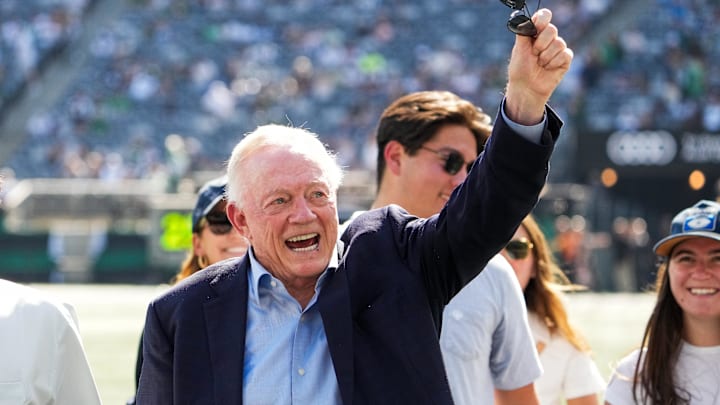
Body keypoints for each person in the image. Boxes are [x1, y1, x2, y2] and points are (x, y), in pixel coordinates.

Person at [137, 8, 572, 404]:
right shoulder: (181, 314)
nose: (304, 215)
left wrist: (525, 102)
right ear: (240, 219)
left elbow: (486, 209)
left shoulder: (395, 260)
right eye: (281, 201)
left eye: (317, 195)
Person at [346, 89, 542, 404]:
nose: (462, 179)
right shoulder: (330, 258)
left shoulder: (494, 272)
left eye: (470, 167)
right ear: (395, 156)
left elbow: (519, 397)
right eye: (450, 162)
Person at [128, 176, 249, 404]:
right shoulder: (170, 314)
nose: (235, 232)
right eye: (220, 221)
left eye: (244, 219)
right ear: (197, 243)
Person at [605, 200, 720, 405]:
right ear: (667, 273)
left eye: (717, 258)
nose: (701, 271)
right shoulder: (632, 376)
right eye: (686, 258)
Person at [502, 214, 605, 405]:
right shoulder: (441, 322)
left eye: (517, 249)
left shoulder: (561, 336)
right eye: (491, 249)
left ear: (535, 265)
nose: (503, 260)